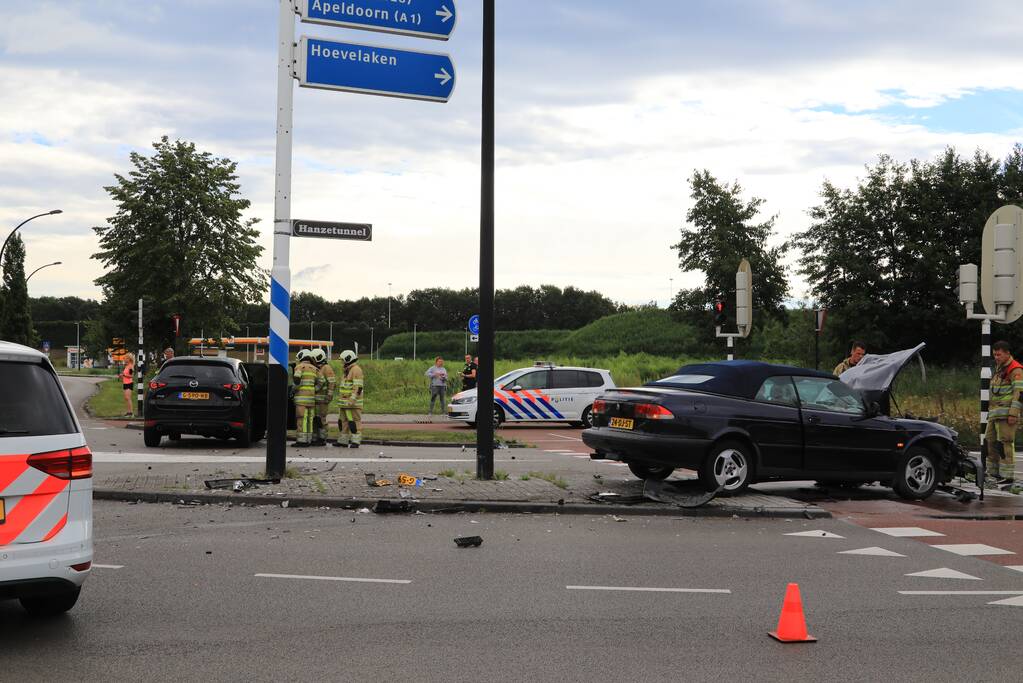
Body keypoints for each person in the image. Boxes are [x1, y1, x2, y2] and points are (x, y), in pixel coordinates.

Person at [985, 341, 1023, 486]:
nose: (996, 357)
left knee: (1005, 443)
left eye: (999, 354)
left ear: (1007, 353)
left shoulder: (1015, 370)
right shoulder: (999, 368)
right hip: (995, 414)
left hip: (1006, 415)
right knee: (990, 442)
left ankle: (1007, 476)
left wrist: (1013, 413)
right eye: (994, 354)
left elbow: (1019, 393)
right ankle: (994, 472)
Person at [333, 349, 364, 448]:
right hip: (344, 403)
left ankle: (356, 441)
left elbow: (358, 387)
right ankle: (343, 441)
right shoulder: (347, 370)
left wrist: (352, 400)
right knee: (344, 422)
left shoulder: (356, 370)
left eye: (343, 360)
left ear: (348, 359)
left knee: (354, 422)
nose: (342, 362)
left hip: (352, 404)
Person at [291, 349, 320, 447]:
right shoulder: (314, 368)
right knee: (309, 419)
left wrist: (293, 391)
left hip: (301, 399)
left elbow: (296, 381)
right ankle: (309, 439)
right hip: (311, 399)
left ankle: (301, 441)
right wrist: (314, 389)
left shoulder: (299, 367)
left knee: (301, 419)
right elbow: (322, 381)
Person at [311, 348, 335, 447]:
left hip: (323, 399)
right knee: (315, 419)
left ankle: (322, 438)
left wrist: (329, 396)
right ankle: (315, 438)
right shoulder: (317, 368)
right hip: (315, 399)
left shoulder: (326, 368)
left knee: (321, 419)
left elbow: (331, 383)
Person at [121, 353, 135, 417]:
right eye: (125, 358)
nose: (125, 359)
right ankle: (128, 412)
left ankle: (131, 413)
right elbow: (126, 375)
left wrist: (124, 375)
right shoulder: (126, 366)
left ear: (129, 359)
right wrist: (121, 376)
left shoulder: (130, 366)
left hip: (129, 383)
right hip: (125, 383)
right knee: (126, 398)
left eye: (126, 358)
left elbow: (131, 375)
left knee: (128, 398)